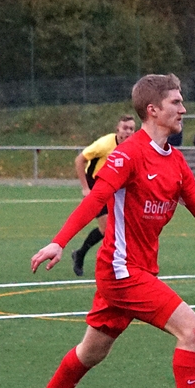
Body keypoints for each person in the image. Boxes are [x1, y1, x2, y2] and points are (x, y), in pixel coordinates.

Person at [24, 73, 195, 388]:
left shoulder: (176, 162)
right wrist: (60, 241)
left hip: (137, 271)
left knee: (91, 352)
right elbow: (96, 200)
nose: (184, 109)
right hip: (121, 271)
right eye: (176, 102)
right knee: (192, 329)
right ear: (152, 109)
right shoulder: (127, 155)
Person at [69, 115, 136, 276]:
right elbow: (79, 160)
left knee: (121, 227)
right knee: (107, 228)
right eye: (124, 128)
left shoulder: (134, 146)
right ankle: (85, 256)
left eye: (131, 129)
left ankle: (81, 254)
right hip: (96, 185)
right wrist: (86, 188)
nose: (127, 132)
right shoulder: (105, 144)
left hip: (115, 187)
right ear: (117, 129)